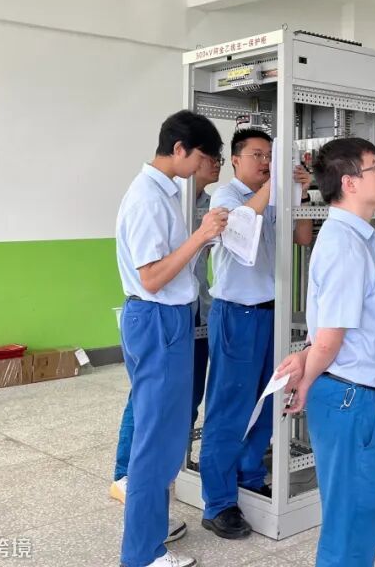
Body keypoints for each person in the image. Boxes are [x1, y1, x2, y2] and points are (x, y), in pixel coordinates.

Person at [278, 137, 375, 567]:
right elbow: (330, 339)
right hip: (350, 397)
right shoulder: (344, 245)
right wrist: (307, 377)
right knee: (350, 521)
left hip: (351, 392)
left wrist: (307, 359)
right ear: (349, 182)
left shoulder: (352, 237)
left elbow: (328, 330)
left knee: (354, 516)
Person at [115, 110, 229, 567]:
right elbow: (153, 277)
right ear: (179, 148)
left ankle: (151, 531)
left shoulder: (165, 192)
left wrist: (204, 239)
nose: (204, 166)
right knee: (156, 441)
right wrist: (200, 237)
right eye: (203, 156)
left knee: (164, 435)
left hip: (170, 319)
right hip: (158, 318)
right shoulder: (147, 198)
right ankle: (142, 554)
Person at [199, 128, 313, 539]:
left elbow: (302, 238)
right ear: (235, 160)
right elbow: (242, 226)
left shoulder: (273, 194)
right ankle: (218, 502)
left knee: (268, 400)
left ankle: (250, 476)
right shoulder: (226, 197)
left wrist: (302, 194)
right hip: (237, 314)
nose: (265, 163)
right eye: (258, 155)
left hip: (272, 314)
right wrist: (275, 184)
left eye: (270, 156)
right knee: (229, 406)